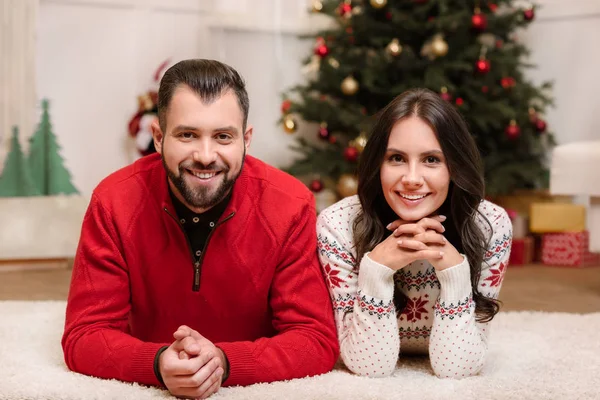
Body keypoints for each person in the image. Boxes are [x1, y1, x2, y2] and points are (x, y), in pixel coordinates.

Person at [62, 59, 339, 399]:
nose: (206, 156)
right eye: (187, 135)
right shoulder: (112, 202)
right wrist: (157, 361)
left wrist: (224, 362)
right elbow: (84, 336)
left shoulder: (291, 204)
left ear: (246, 140)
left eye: (223, 136)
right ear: (159, 137)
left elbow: (315, 339)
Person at [316, 88, 512, 379]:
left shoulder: (490, 226)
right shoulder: (338, 225)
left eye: (431, 160)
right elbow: (369, 366)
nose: (411, 179)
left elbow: (456, 368)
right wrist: (376, 270)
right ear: (377, 164)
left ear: (454, 167)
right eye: (396, 158)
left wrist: (454, 271)